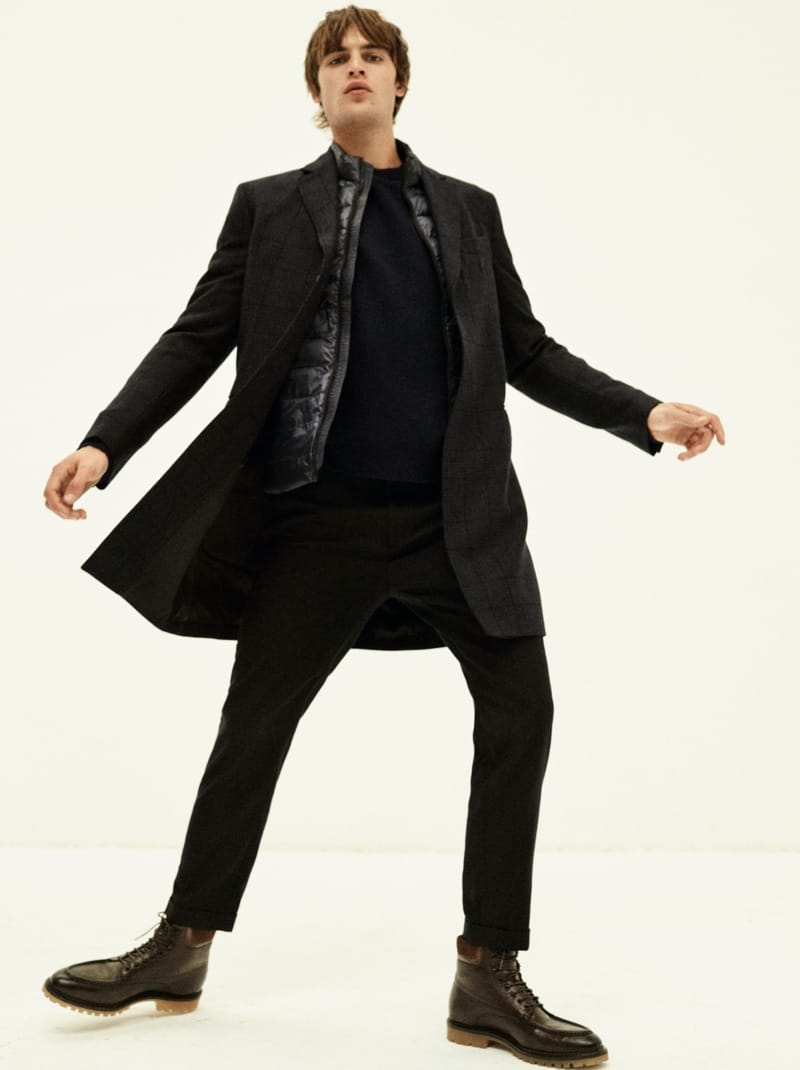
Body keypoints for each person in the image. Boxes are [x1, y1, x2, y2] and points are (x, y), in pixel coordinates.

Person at [41, 5, 724, 1066]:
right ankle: (181, 945)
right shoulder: (269, 207)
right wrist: (104, 442)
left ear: (401, 82)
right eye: (336, 59)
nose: (354, 69)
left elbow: (526, 349)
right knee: (253, 725)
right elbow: (196, 336)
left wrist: (643, 413)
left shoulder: (467, 211)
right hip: (320, 518)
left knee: (521, 714)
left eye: (372, 57)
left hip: (461, 519)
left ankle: (487, 971)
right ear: (316, 92)